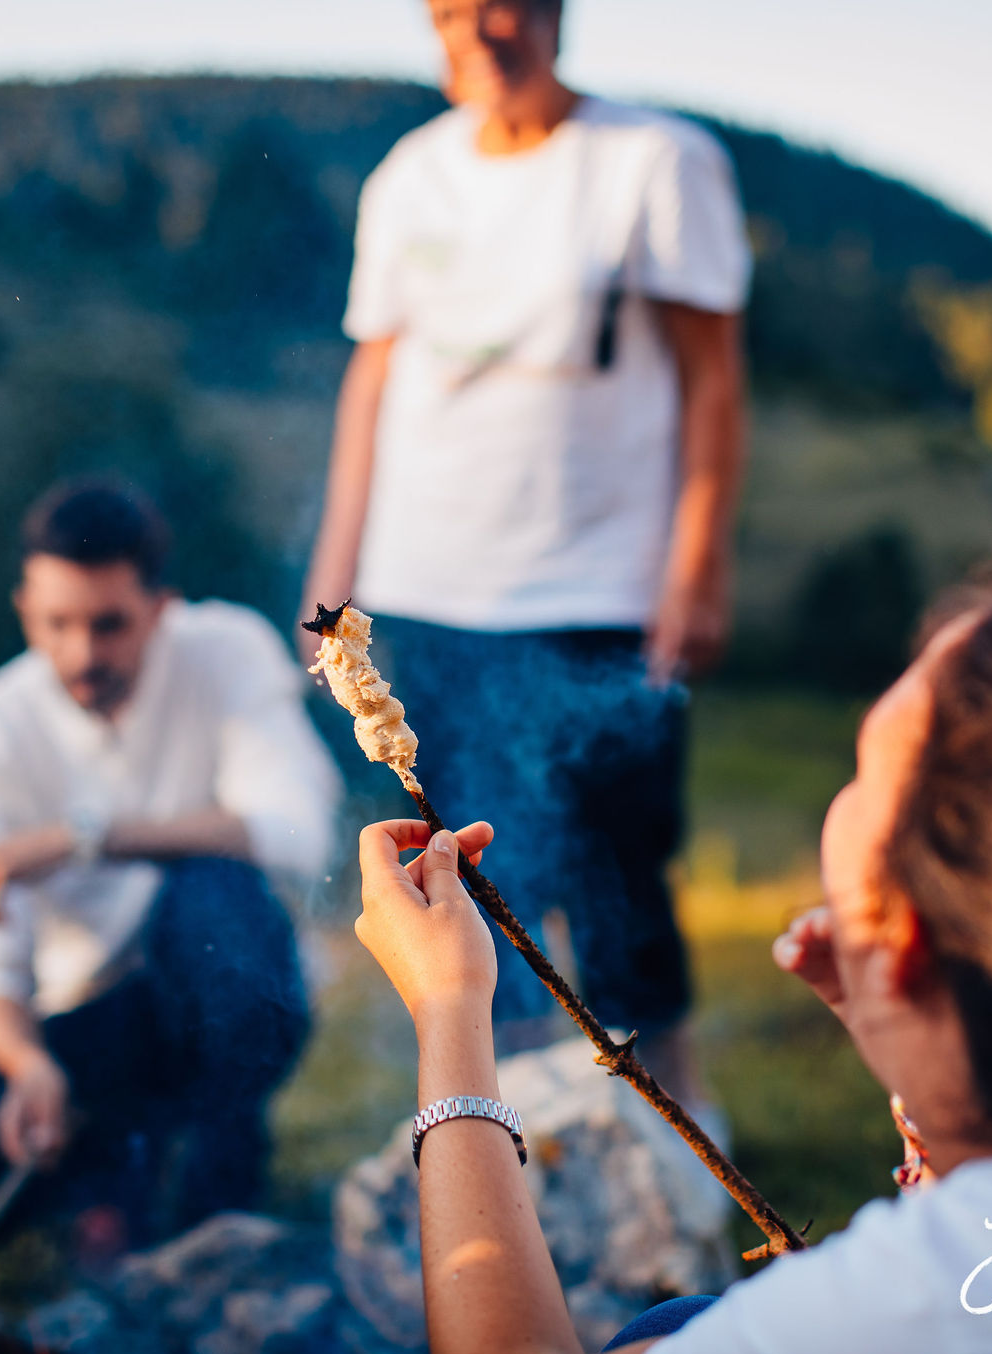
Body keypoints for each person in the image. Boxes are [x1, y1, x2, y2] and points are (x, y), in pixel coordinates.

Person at [353, 543, 992, 1354]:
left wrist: (450, 1011)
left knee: (667, 1327)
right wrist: (925, 1053)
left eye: (863, 765)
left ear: (900, 940)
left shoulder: (940, 1304)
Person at [301, 0, 751, 1098]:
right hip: (425, 584)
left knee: (617, 879)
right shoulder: (409, 175)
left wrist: (693, 564)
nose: (486, 28)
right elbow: (374, 378)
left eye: (511, 4)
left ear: (555, 16)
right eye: (457, 8)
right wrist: (334, 569)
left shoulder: (651, 161)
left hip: (595, 584)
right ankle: (506, 1131)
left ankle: (680, 1137)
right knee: (458, 870)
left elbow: (712, 377)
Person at [0, 481, 341, 1251]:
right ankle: (120, 1181)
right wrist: (28, 1063)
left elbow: (296, 831)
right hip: (90, 1017)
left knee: (215, 891)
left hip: (234, 985)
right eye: (57, 624)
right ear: (24, 611)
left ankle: (221, 1210)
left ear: (160, 607)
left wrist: (82, 837)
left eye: (109, 625)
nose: (82, 654)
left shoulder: (226, 649)